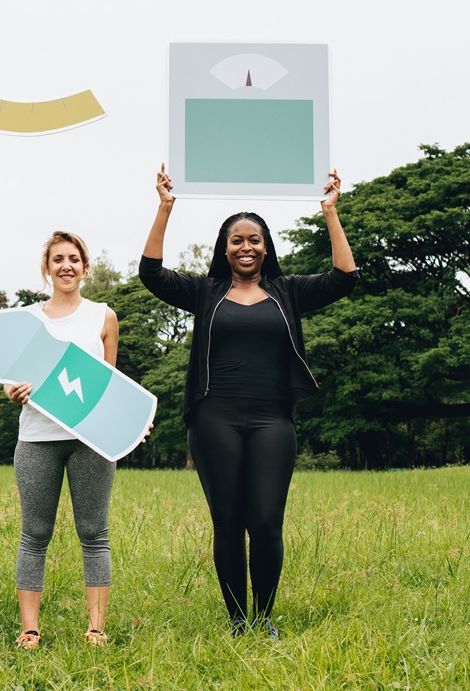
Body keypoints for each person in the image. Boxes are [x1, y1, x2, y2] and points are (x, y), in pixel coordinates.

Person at [138, 165, 357, 638]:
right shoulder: (206, 292)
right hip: (214, 417)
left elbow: (344, 278)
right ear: (224, 248)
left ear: (266, 246)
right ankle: (238, 620)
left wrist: (330, 213)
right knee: (228, 521)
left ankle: (265, 615)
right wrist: (165, 207)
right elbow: (151, 274)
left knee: (266, 521)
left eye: (254, 239)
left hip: (272, 419)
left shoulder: (288, 292)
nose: (246, 247)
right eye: (236, 240)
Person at [2, 231, 120, 650]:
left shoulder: (103, 316)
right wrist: (11, 391)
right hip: (36, 437)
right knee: (34, 534)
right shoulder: (27, 319)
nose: (66, 265)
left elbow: (110, 385)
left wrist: (127, 424)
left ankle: (96, 629)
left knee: (94, 533)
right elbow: (10, 375)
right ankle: (29, 629)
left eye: (73, 259)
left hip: (90, 441)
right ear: (47, 268)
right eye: (57, 259)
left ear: (85, 268)